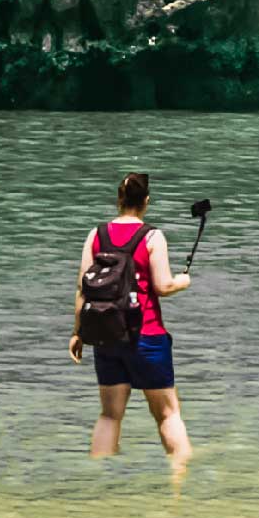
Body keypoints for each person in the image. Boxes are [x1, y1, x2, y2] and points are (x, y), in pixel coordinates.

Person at [77, 170, 191, 459]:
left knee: (109, 415)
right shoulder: (152, 236)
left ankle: (98, 482)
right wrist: (183, 281)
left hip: (106, 336)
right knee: (167, 414)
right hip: (146, 336)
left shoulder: (96, 234)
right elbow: (163, 286)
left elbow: (83, 288)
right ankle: (181, 483)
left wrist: (78, 333)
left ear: (119, 198)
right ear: (146, 202)